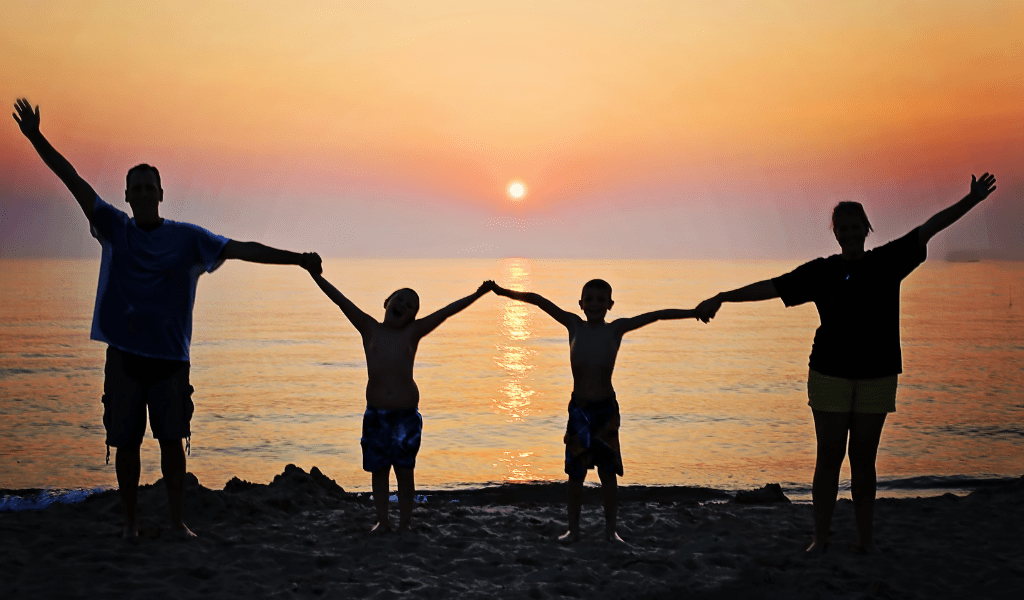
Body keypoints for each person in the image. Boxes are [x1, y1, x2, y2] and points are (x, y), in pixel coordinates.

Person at [12, 98, 322, 540]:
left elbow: (241, 248)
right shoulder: (113, 227)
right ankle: (132, 527)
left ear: (160, 193)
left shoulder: (188, 239)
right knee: (125, 445)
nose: (140, 194)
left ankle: (177, 523)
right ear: (126, 196)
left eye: (148, 187)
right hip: (124, 357)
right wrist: (36, 137)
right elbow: (72, 180)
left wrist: (297, 260)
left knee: (172, 443)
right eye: (133, 188)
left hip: (170, 360)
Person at [695, 173, 998, 553]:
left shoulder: (888, 261)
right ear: (835, 233)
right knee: (829, 457)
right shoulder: (821, 272)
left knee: (863, 461)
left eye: (857, 227)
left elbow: (929, 228)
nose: (851, 234)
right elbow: (773, 287)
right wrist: (722, 296)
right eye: (844, 228)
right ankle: (820, 539)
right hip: (828, 373)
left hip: (877, 374)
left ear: (867, 229)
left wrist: (972, 200)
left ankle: (864, 541)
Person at [491, 279, 700, 543]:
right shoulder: (573, 325)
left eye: (601, 300)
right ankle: (574, 530)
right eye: (589, 299)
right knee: (575, 474)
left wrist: (693, 312)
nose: (594, 304)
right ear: (580, 303)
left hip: (605, 410)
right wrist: (503, 292)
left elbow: (656, 315)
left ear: (610, 305)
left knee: (608, 474)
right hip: (579, 410)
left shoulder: (616, 329)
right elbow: (538, 300)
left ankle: (611, 531)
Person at [307, 270, 493, 533]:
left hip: (405, 417)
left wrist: (478, 293)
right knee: (379, 472)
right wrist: (314, 273)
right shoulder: (368, 327)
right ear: (387, 301)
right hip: (376, 416)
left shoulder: (413, 333)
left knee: (405, 473)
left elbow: (447, 311)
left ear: (413, 316)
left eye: (411, 306)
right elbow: (340, 300)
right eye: (400, 299)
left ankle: (405, 523)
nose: (403, 305)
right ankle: (383, 521)